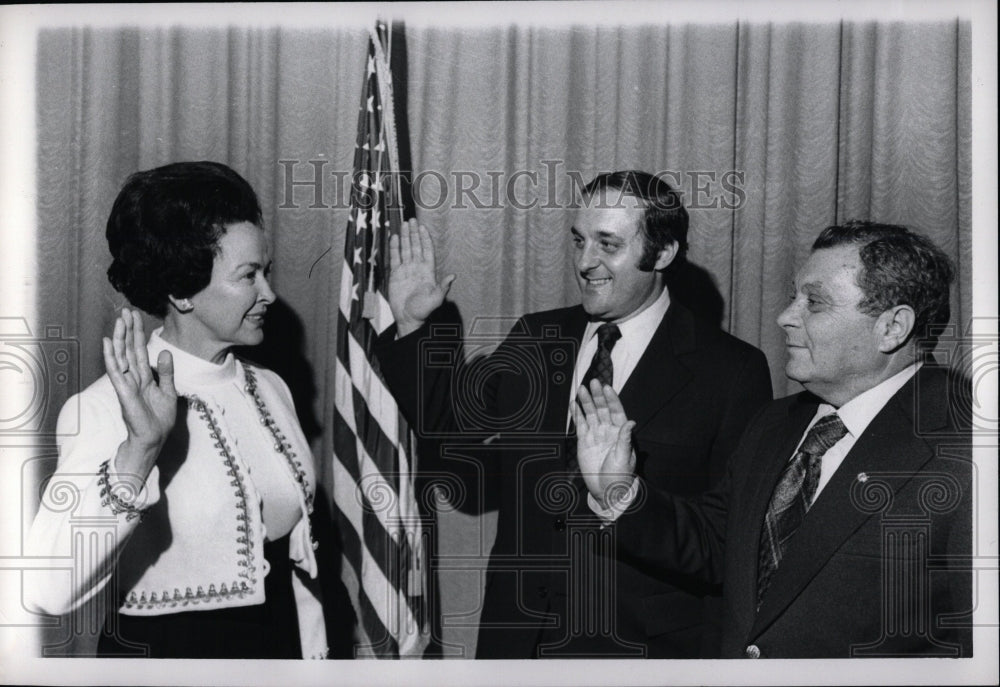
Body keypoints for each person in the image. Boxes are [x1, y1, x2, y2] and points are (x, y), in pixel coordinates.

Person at [376, 171, 773, 658]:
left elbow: (723, 542)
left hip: (636, 654)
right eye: (579, 241)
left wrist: (625, 496)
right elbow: (447, 426)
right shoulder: (535, 337)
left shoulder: (731, 371)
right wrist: (414, 326)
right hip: (515, 645)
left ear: (663, 252)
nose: (586, 263)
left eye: (608, 244)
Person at [575, 221, 973, 658]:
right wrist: (618, 490)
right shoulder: (775, 423)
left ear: (893, 327)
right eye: (792, 297)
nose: (786, 316)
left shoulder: (965, 448)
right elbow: (714, 545)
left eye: (814, 303)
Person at [25, 161, 327, 659]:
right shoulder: (106, 407)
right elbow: (46, 586)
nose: (269, 295)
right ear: (182, 291)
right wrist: (140, 449)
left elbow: (298, 576)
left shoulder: (272, 388)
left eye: (265, 272)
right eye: (248, 276)